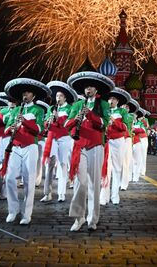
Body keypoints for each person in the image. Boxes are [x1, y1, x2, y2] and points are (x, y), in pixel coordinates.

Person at [66, 71, 112, 232]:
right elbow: (67, 125)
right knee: (80, 183)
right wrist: (75, 119)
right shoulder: (77, 105)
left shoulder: (104, 105)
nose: (88, 90)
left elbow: (104, 124)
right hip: (80, 147)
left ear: (96, 90)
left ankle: (93, 219)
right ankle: (79, 218)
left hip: (96, 146)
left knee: (94, 184)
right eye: (86, 87)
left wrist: (90, 115)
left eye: (91, 87)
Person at [2, 78, 49, 225]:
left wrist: (25, 122)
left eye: (28, 92)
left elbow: (39, 130)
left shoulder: (38, 110)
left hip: (30, 146)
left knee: (29, 181)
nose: (25, 95)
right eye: (23, 93)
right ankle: (13, 209)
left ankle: (26, 213)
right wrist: (12, 128)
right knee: (9, 178)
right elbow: (6, 128)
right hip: (15, 146)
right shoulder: (15, 110)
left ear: (33, 95)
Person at [41, 81, 76, 203]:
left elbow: (68, 125)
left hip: (64, 139)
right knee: (48, 165)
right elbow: (45, 123)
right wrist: (48, 121)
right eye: (57, 96)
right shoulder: (51, 108)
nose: (58, 98)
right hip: (52, 139)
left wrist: (58, 119)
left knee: (62, 164)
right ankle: (47, 193)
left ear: (65, 97)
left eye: (60, 96)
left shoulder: (70, 108)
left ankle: (61, 193)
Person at [100, 88, 131, 205]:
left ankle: (115, 195)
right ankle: (104, 196)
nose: (111, 101)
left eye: (113, 99)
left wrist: (114, 121)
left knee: (117, 168)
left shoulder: (122, 112)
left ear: (117, 101)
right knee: (105, 168)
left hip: (118, 141)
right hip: (106, 141)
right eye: (109, 98)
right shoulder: (103, 110)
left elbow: (125, 128)